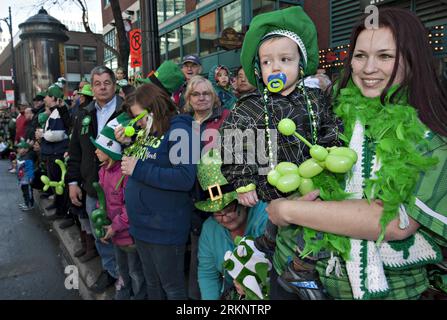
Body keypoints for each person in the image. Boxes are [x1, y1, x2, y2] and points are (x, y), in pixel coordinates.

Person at [266, 7, 447, 300]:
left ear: (413, 60)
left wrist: (288, 210)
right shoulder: (334, 110)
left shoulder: (431, 136)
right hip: (295, 276)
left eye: (385, 56)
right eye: (360, 56)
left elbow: (394, 222)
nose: (368, 68)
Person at [219, 6, 341, 299]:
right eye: (267, 61)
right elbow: (234, 145)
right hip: (272, 187)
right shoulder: (249, 106)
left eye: (285, 60)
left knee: (317, 228)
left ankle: (303, 268)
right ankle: (267, 247)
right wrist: (243, 180)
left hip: (314, 183)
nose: (276, 68)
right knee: (274, 225)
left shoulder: (315, 99)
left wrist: (329, 150)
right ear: (258, 69)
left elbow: (333, 126)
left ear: (302, 64)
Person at [114, 83, 198, 300]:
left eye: (139, 117)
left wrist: (138, 168)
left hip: (165, 228)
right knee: (153, 284)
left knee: (172, 288)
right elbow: (144, 163)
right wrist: (127, 144)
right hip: (143, 225)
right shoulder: (150, 131)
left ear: (154, 108)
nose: (138, 123)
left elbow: (184, 178)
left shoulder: (181, 130)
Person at [66, 66, 122, 292]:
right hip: (92, 187)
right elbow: (75, 152)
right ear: (92, 86)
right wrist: (72, 183)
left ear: (114, 85)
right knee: (101, 234)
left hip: (121, 188)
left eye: (106, 82)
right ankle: (111, 271)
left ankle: (128, 277)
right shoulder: (83, 114)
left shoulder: (127, 111)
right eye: (97, 83)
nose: (102, 87)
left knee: (123, 233)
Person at [195, 153, 268, 299]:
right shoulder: (210, 228)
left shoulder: (266, 216)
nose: (224, 218)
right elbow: (207, 275)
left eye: (228, 209)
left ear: (243, 201)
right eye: (216, 212)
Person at [183, 75, 230, 299]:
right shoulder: (183, 123)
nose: (202, 98)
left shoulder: (226, 119)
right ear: (188, 99)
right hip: (192, 200)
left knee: (227, 253)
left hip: (223, 199)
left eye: (206, 93)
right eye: (196, 94)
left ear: (214, 97)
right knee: (202, 257)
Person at [91, 121, 146, 300]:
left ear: (110, 151)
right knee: (122, 268)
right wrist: (103, 224)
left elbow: (130, 207)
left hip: (129, 235)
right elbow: (102, 201)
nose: (96, 152)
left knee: (135, 271)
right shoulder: (103, 171)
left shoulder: (125, 174)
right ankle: (124, 292)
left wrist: (115, 226)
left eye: (99, 148)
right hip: (114, 233)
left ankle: (138, 296)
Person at [40, 84, 71, 221]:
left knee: (59, 185)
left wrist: (42, 134)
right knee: (55, 183)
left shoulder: (58, 112)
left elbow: (57, 134)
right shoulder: (54, 112)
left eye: (46, 96)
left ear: (53, 97)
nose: (44, 99)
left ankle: (61, 211)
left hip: (57, 154)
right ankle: (58, 206)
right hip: (53, 153)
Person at [15, 140, 35, 211]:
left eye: (21, 148)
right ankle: (26, 203)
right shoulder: (20, 157)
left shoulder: (27, 158)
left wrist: (30, 177)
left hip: (26, 179)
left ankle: (29, 205)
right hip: (22, 178)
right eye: (18, 148)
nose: (19, 149)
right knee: (24, 192)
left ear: (26, 149)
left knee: (28, 192)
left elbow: (30, 169)